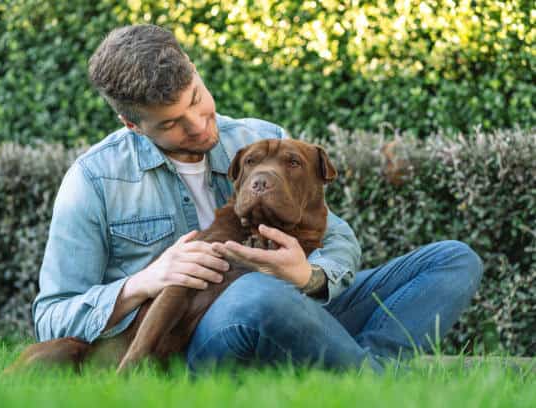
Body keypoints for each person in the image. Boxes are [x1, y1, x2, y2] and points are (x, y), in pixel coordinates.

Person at [32, 24, 483, 373]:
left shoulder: (261, 139)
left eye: (196, 98)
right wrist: (142, 283)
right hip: (198, 344)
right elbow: (52, 317)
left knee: (452, 259)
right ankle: (373, 383)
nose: (197, 125)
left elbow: (339, 235)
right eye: (171, 123)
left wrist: (308, 276)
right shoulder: (94, 179)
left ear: (195, 69)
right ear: (132, 124)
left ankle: (365, 367)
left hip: (297, 312)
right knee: (256, 293)